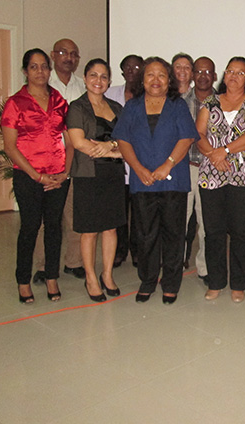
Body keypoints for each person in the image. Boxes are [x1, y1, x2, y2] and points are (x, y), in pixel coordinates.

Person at [112, 57, 198, 304]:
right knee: (145, 234)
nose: (156, 80)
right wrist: (137, 168)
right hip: (143, 180)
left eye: (162, 75)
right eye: (150, 75)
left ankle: (171, 283)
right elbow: (123, 141)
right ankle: (148, 280)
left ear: (169, 79)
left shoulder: (177, 105)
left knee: (173, 233)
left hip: (173, 181)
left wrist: (167, 165)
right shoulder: (132, 106)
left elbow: (186, 138)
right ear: (143, 79)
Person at [1, 49, 73, 303]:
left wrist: (66, 172)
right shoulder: (15, 103)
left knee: (54, 227)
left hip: (58, 175)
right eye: (34, 67)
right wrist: (37, 176)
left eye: (44, 67)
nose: (40, 71)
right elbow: (10, 147)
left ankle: (51, 276)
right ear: (25, 71)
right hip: (28, 176)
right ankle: (23, 281)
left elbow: (69, 139)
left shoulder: (59, 101)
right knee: (30, 227)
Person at [196, 57, 245, 302]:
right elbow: (199, 133)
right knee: (213, 231)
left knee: (241, 231)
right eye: (230, 71)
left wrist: (223, 151)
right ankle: (216, 281)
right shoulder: (209, 101)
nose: (234, 76)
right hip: (211, 175)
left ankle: (238, 283)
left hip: (244, 176)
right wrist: (214, 157)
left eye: (240, 72)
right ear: (224, 76)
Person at [67, 58, 126, 302]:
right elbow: (79, 143)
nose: (98, 81)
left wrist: (109, 146)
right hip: (88, 174)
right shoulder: (77, 107)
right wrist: (110, 149)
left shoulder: (117, 107)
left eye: (103, 76)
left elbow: (126, 143)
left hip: (113, 174)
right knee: (90, 230)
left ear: (109, 81)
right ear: (85, 78)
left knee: (111, 227)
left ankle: (107, 274)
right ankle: (91, 278)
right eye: (93, 75)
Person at [32, 38, 85, 284]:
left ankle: (73, 262)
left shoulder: (83, 87)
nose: (69, 57)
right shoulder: (42, 84)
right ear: (54, 55)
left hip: (75, 161)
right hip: (45, 164)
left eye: (74, 54)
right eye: (64, 52)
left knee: (74, 215)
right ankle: (43, 266)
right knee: (46, 220)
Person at [105, 54, 144, 268]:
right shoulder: (110, 94)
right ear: (122, 71)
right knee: (118, 212)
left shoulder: (149, 96)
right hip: (115, 163)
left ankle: (137, 251)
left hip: (140, 164)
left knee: (139, 213)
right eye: (127, 67)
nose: (132, 70)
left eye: (136, 66)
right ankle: (119, 251)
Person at [182, 57, 217, 283]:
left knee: (208, 223)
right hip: (184, 169)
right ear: (192, 75)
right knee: (179, 221)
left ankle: (204, 268)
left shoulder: (223, 102)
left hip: (212, 169)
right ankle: (174, 267)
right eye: (198, 71)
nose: (203, 75)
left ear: (214, 75)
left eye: (208, 71)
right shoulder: (179, 102)